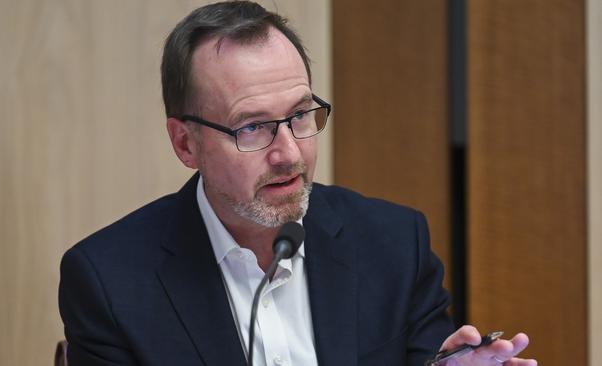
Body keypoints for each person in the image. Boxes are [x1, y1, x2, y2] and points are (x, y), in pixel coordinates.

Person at [58, 2, 536, 365]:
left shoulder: (393, 244)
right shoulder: (109, 281)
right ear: (186, 144)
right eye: (251, 127)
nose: (289, 152)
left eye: (301, 115)